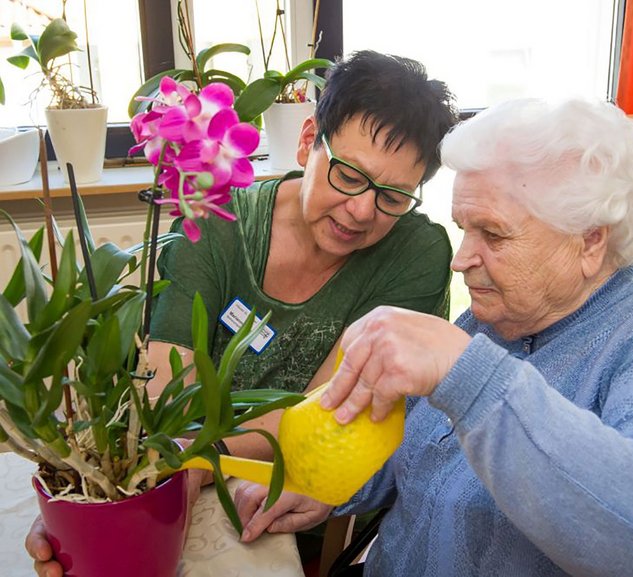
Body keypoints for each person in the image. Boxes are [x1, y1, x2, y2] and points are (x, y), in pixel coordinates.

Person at [231, 99, 633, 576]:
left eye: (494, 234)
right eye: (464, 228)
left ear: (590, 242)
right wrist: (332, 489)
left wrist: (469, 376)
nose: (462, 259)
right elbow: (420, 452)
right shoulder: (506, 315)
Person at [25, 50, 458, 577]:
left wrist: (190, 460)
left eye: (393, 196)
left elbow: (322, 415)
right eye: (348, 175)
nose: (363, 210)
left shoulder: (416, 254)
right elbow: (166, 388)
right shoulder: (216, 218)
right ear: (306, 142)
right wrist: (100, 500)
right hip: (175, 467)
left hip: (293, 503)